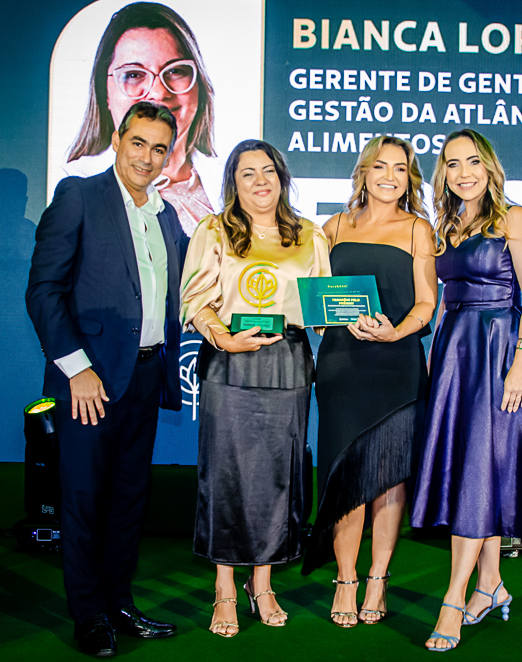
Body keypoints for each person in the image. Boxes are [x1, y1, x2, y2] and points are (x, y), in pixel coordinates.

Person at [411, 129, 522, 651]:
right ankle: (490, 584)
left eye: (472, 162)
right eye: (452, 163)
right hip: (455, 357)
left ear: (489, 168)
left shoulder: (515, 218)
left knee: (478, 472)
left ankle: (453, 600)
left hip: (501, 352)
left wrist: (519, 365)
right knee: (475, 472)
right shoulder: (447, 224)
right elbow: (444, 298)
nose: (463, 172)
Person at [26, 101, 188, 657]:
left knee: (128, 498)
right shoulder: (79, 195)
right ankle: (88, 613)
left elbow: (186, 289)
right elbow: (44, 290)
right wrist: (78, 369)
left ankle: (119, 601)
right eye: (138, 143)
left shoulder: (166, 214)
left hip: (146, 374)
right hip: (88, 382)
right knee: (84, 497)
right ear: (118, 139)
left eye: (159, 148)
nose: (147, 157)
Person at [179, 139, 331, 637]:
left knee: (277, 474)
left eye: (269, 171)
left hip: (287, 362)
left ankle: (261, 584)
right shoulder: (213, 229)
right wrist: (223, 337)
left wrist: (355, 316)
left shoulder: (309, 234)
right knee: (226, 472)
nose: (261, 181)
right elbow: (195, 297)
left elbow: (322, 307)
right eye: (248, 174)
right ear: (233, 183)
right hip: (229, 361)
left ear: (282, 177)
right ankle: (225, 585)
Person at [304, 136, 437, 629]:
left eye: (400, 169)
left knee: (387, 481)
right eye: (379, 166)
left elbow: (427, 304)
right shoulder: (333, 227)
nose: (389, 176)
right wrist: (319, 317)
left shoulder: (418, 230)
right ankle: (345, 579)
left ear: (409, 179)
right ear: (362, 172)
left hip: (396, 367)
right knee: (344, 480)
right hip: (342, 367)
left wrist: (395, 330)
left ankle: (377, 579)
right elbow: (314, 296)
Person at [63, 1, 219, 234]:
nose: (158, 92)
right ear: (104, 92)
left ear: (199, 86)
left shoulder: (240, 182)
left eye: (175, 71)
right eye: (134, 74)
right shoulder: (73, 186)